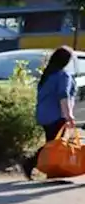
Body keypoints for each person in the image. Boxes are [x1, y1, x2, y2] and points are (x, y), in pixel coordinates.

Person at [22, 46, 76, 180]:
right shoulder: (63, 75)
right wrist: (68, 115)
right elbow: (63, 95)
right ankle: (31, 163)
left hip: (44, 114)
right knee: (55, 144)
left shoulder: (47, 75)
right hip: (56, 114)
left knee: (52, 143)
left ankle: (50, 171)